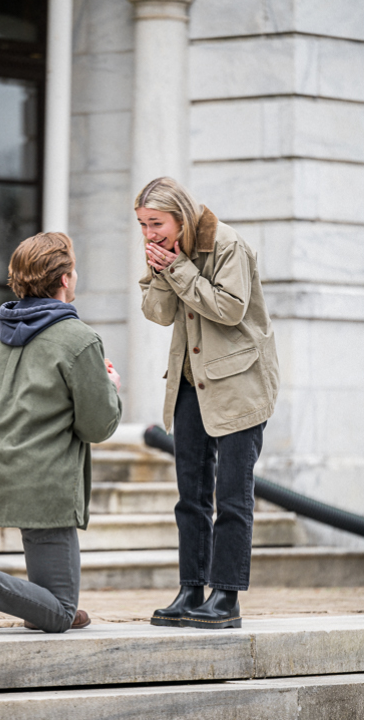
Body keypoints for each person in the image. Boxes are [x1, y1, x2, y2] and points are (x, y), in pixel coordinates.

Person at [0, 232, 122, 635]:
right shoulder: (79, 340)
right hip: (46, 481)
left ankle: (45, 603)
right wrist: (109, 387)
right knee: (59, 613)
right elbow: (97, 425)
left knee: (53, 604)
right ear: (66, 279)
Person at [137, 177, 279, 629]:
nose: (149, 234)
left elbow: (230, 308)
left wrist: (177, 270)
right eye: (142, 225)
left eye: (155, 223)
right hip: (189, 383)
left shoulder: (227, 244)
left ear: (179, 215)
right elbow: (156, 313)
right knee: (190, 497)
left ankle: (226, 597)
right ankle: (191, 589)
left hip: (238, 384)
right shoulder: (169, 251)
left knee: (232, 496)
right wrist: (163, 271)